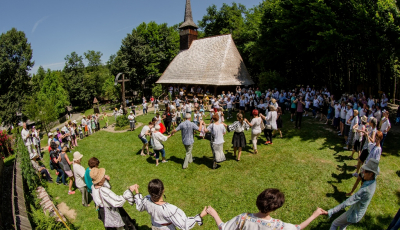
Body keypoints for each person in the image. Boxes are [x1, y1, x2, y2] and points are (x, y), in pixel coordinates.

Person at [206, 188, 326, 230]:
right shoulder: (278, 226)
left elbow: (224, 228)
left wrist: (215, 214)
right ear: (276, 207)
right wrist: (314, 215)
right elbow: (298, 228)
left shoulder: (243, 218)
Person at [132, 179, 206, 230]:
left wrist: (137, 192)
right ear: (163, 190)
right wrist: (200, 215)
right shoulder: (169, 209)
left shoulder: (147, 200)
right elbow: (184, 224)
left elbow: (140, 206)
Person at [328, 159, 379, 230]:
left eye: (366, 171)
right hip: (359, 214)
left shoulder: (365, 190)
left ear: (371, 174)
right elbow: (377, 170)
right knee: (343, 226)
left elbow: (348, 202)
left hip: (353, 214)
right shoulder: (373, 180)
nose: (363, 172)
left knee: (334, 224)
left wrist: (332, 211)